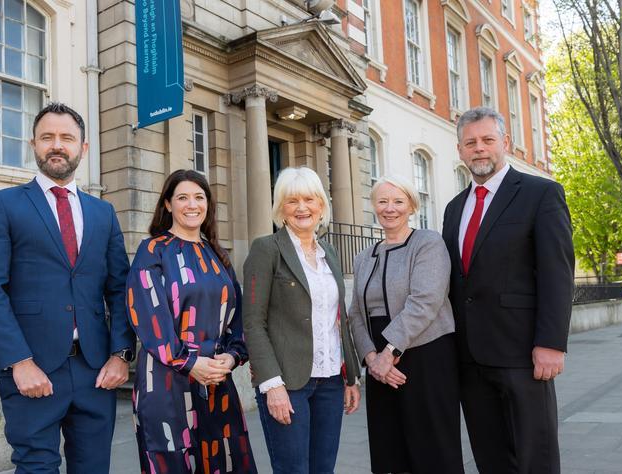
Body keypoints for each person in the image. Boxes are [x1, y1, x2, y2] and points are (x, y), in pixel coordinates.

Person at [0, 102, 134, 473]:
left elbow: (121, 288)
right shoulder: (3, 205)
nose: (57, 145)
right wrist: (19, 362)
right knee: (36, 468)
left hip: (97, 372)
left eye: (66, 138)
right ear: (34, 144)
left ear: (83, 148)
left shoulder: (102, 212)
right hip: (33, 370)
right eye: (48, 137)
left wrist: (121, 354)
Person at [442, 107, 574, 473]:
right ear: (460, 150)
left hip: (523, 353)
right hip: (470, 357)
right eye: (471, 143)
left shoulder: (541, 193)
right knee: (491, 457)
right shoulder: (454, 208)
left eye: (487, 140)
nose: (479, 149)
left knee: (536, 456)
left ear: (506, 143)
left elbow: (557, 273)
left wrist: (551, 343)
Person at [126, 169, 256, 473]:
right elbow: (148, 317)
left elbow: (237, 318)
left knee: (223, 461)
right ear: (168, 204)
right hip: (165, 381)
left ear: (208, 204)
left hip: (215, 380)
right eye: (182, 197)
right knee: (172, 461)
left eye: (199, 197)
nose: (192, 204)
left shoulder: (216, 254)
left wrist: (232, 357)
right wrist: (189, 363)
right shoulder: (153, 250)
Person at [243, 166, 361, 474]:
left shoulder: (330, 253)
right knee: (293, 469)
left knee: (323, 469)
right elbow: (254, 323)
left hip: (331, 380)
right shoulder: (266, 249)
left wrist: (350, 377)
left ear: (321, 205)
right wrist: (271, 385)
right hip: (287, 383)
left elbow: (339, 320)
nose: (302, 208)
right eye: (292, 200)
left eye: (309, 199)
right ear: (281, 208)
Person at [348, 176, 463, 474]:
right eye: (383, 201)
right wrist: (372, 359)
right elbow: (356, 314)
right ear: (374, 206)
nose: (390, 208)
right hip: (378, 365)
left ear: (412, 206)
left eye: (398, 201)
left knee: (433, 450)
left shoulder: (428, 243)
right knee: (390, 450)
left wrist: (389, 353)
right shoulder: (363, 257)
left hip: (426, 356)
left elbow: (426, 301)